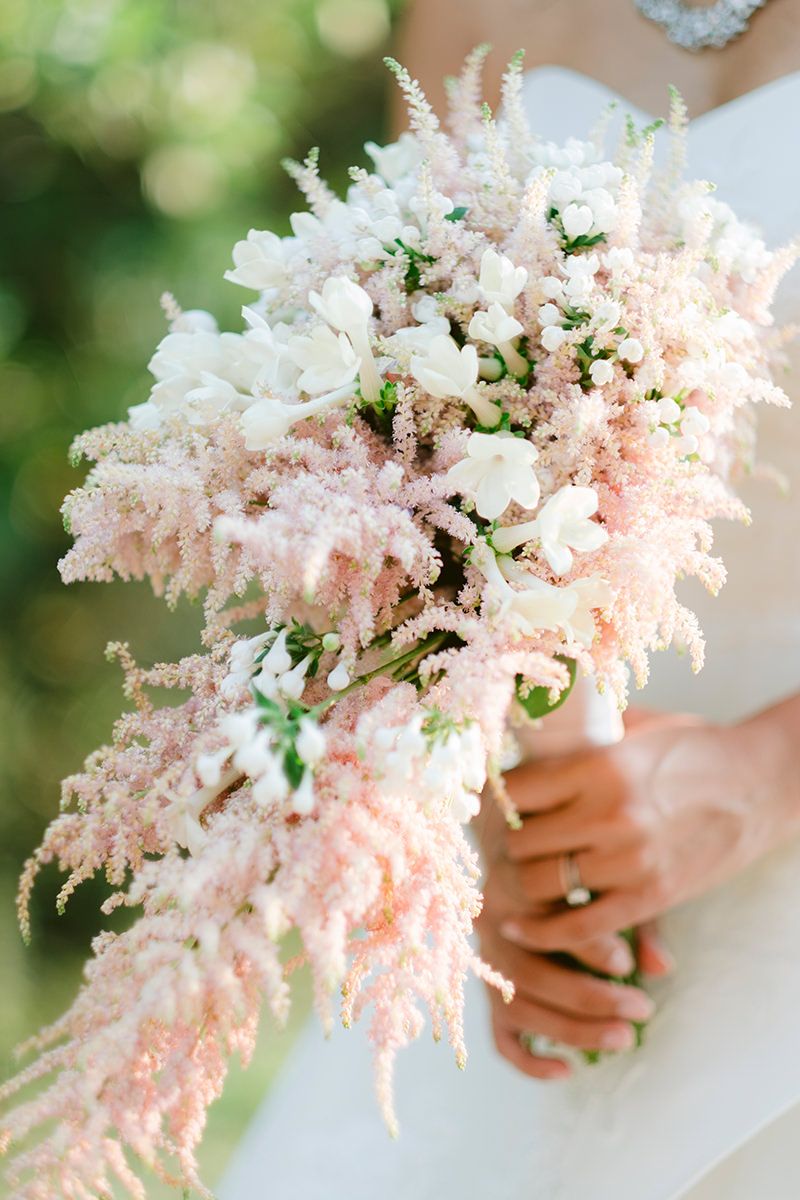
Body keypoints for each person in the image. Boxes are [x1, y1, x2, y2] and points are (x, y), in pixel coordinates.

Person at [221, 4, 800, 1196]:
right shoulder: (464, 11)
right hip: (547, 893)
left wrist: (759, 781)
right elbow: (400, 459)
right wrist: (487, 809)